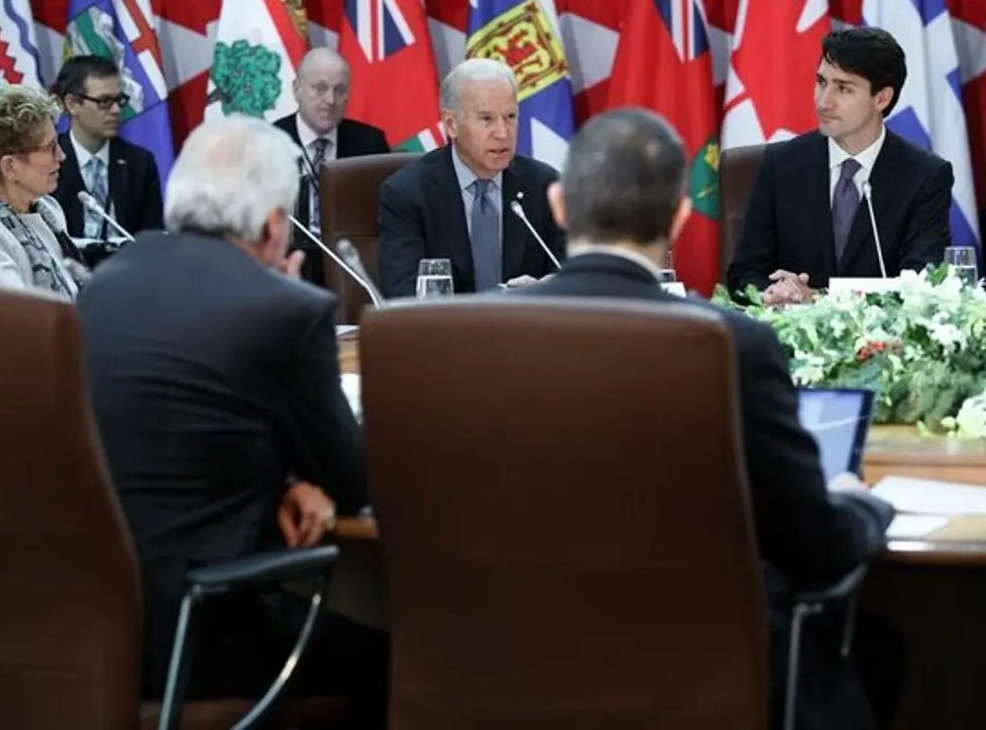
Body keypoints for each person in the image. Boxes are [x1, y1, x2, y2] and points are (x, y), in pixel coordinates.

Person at [521, 108, 899, 730]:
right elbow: (817, 548)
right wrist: (858, 504)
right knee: (875, 654)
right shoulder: (735, 345)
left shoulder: (464, 334)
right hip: (697, 671)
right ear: (677, 217)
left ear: (560, 207)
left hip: (510, 658)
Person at [76, 116, 381, 722]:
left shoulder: (104, 286)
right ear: (274, 225)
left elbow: (177, 423)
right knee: (405, 651)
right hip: (202, 624)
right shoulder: (287, 308)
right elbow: (352, 485)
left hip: (89, 622)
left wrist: (285, 484)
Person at [727, 27, 952, 304]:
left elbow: (922, 285)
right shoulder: (782, 165)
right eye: (821, 82)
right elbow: (743, 275)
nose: (824, 101)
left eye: (843, 88)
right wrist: (772, 294)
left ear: (881, 98)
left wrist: (821, 299)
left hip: (883, 343)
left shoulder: (925, 176)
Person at [378, 58, 565, 297]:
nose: (502, 132)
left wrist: (546, 288)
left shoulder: (545, 187)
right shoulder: (407, 194)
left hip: (525, 329)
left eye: (510, 116)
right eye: (486, 119)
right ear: (451, 124)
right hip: (445, 332)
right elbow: (402, 292)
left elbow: (577, 273)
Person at [0, 85, 86, 299]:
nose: (61, 156)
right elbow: (19, 317)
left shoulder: (48, 208)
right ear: (10, 167)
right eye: (50, 147)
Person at [273, 47, 390, 286]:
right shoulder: (268, 142)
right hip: (287, 268)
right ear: (296, 90)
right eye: (320, 89)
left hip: (351, 267)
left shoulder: (370, 143)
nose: (330, 100)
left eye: (340, 90)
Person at [51, 54, 164, 242]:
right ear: (71, 104)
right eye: (104, 102)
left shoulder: (140, 163)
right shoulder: (48, 161)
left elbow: (153, 239)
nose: (116, 111)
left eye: (119, 100)